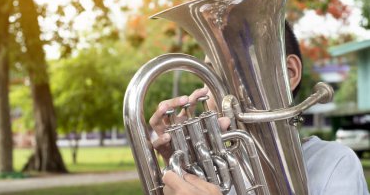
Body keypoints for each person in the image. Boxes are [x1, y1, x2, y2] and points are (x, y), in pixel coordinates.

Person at [149, 21, 370, 195]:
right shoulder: (209, 172)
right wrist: (181, 167)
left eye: (229, 71)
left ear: (289, 74)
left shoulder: (334, 162)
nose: (210, 91)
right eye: (207, 73)